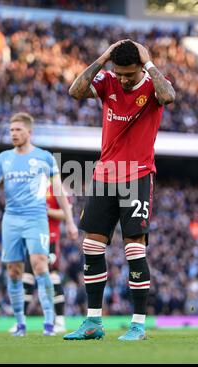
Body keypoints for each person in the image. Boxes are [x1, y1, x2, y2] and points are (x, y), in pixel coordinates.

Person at [63, 40, 175, 341]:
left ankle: (138, 324)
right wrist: (102, 59)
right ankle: (93, 323)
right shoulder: (108, 79)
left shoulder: (153, 85)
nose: (123, 79)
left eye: (129, 74)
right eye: (120, 73)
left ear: (141, 68)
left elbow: (169, 96)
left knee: (134, 248)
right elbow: (75, 91)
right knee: (91, 246)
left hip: (137, 176)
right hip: (104, 175)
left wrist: (149, 63)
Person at [0, 112, 78, 336]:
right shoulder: (3, 158)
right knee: (14, 271)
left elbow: (59, 191)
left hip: (36, 218)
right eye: (11, 130)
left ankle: (49, 323)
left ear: (29, 132)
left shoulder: (44, 157)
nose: (13, 134)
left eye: (18, 130)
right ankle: (20, 323)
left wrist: (71, 222)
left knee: (40, 265)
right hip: (11, 219)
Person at [11, 184, 70, 334]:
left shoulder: (56, 188)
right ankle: (20, 322)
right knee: (27, 277)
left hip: (50, 239)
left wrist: (46, 210)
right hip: (32, 240)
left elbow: (65, 212)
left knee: (53, 276)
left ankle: (60, 320)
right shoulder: (31, 188)